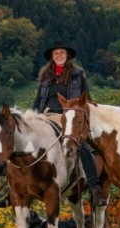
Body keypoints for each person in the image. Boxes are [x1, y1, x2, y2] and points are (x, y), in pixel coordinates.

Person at [33, 41, 107, 208]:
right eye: (56, 53)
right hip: (47, 116)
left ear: (67, 56)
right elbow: (39, 101)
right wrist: (32, 119)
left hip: (70, 116)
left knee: (83, 147)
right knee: (27, 143)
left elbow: (86, 98)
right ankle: (16, 188)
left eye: (62, 52)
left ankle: (95, 188)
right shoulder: (45, 77)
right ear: (52, 57)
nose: (59, 55)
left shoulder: (77, 73)